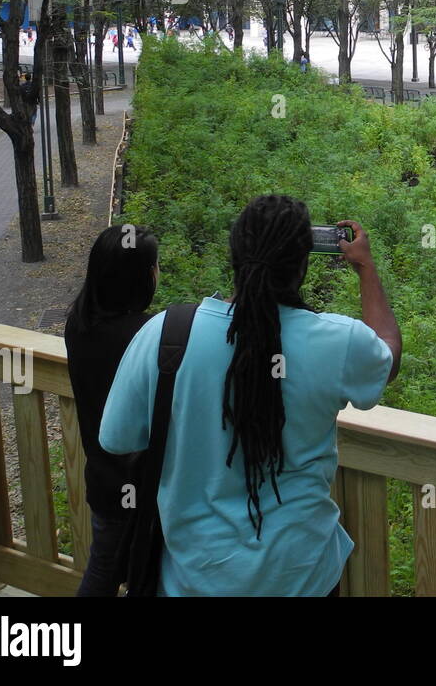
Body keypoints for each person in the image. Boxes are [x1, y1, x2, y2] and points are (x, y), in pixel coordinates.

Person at [101, 195, 402, 596]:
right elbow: (387, 355)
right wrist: (365, 267)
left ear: (234, 255)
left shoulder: (167, 333)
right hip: (301, 573)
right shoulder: (338, 341)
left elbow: (117, 438)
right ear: (303, 264)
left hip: (194, 576)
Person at [65, 226, 161, 596]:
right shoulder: (147, 334)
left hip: (106, 477)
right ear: (141, 276)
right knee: (148, 572)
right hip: (146, 479)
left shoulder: (80, 321)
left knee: (104, 567)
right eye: (154, 265)